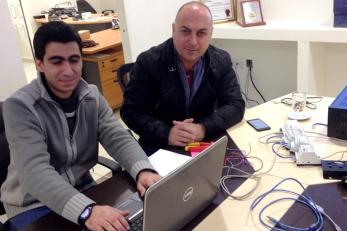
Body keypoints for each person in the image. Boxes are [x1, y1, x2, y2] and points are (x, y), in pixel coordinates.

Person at [1, 21, 160, 231]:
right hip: (33, 205)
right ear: (39, 63)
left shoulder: (91, 96)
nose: (68, 71)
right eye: (57, 61)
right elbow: (35, 173)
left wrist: (144, 171)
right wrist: (87, 211)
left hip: (83, 189)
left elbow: (117, 137)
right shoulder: (20, 106)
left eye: (74, 60)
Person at [120, 1, 245, 155]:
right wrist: (167, 133)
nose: (193, 42)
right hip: (159, 145)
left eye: (201, 33)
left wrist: (203, 127)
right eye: (185, 31)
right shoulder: (149, 62)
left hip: (203, 142)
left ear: (210, 33)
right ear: (173, 30)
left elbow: (236, 105)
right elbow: (130, 111)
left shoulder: (221, 60)